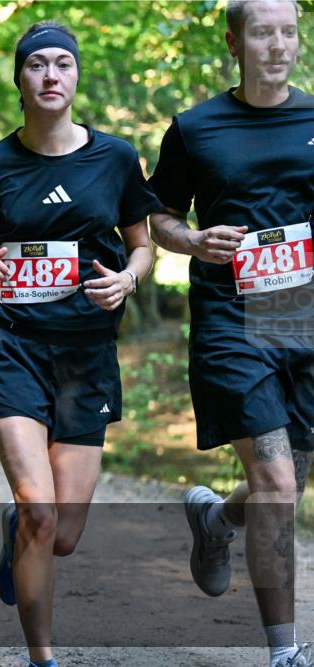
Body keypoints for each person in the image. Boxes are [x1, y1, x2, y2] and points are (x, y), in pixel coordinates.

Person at [0, 21, 160, 667]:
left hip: (87, 355)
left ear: (77, 75)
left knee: (60, 534)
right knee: (39, 506)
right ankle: (43, 658)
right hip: (13, 347)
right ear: (21, 78)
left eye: (64, 63)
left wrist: (127, 278)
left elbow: (142, 244)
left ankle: (19, 537)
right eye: (38, 64)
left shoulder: (115, 158)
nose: (51, 75)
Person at [148, 1, 312, 665]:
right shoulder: (195, 128)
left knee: (285, 483)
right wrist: (191, 239)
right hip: (231, 319)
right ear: (234, 41)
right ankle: (286, 652)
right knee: (276, 481)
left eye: (288, 32)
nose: (277, 45)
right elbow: (156, 214)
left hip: (305, 317)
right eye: (262, 32)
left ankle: (217, 520)